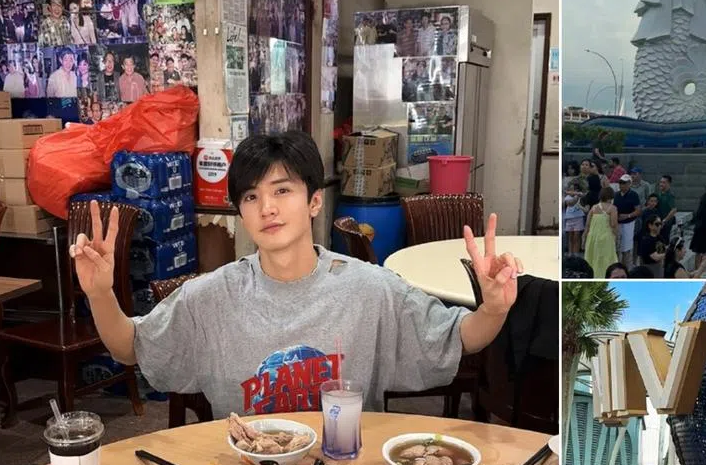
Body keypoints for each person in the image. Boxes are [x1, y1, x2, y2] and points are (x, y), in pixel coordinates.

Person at [70, 132, 521, 418]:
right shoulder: (210, 298)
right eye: (250, 197)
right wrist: (100, 293)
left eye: (282, 190)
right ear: (241, 213)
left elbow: (459, 338)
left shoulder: (370, 289)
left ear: (314, 202)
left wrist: (493, 308)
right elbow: (130, 348)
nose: (266, 207)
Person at [582, 187, 618, 278]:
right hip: (606, 237)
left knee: (592, 259)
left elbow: (587, 224)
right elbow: (614, 224)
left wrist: (584, 238)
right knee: (606, 259)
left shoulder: (594, 208)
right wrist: (617, 236)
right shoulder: (612, 208)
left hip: (593, 237)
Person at [613, 175, 642, 267]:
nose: (621, 185)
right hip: (617, 223)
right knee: (616, 247)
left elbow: (638, 210)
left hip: (628, 224)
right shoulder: (616, 195)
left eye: (624, 183)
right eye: (620, 183)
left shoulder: (633, 195)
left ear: (629, 183)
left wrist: (627, 216)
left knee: (626, 248)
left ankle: (625, 267)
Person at [655, 175, 677, 243]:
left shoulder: (670, 195)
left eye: (664, 182)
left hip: (666, 223)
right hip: (658, 221)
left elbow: (674, 209)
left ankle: (664, 253)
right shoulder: (658, 193)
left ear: (669, 183)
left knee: (664, 240)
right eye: (661, 182)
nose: (661, 184)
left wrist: (665, 220)